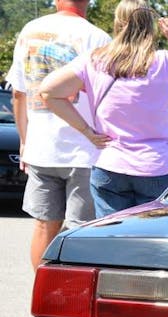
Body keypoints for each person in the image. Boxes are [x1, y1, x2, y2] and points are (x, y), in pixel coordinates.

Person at [38, 0, 168, 218]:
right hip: (158, 167)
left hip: (110, 165)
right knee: (153, 236)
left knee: (113, 235)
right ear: (151, 25)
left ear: (118, 23)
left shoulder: (94, 61)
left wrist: (86, 131)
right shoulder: (166, 63)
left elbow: (48, 91)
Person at [6, 0, 110, 270]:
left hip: (42, 148)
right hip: (86, 149)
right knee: (81, 229)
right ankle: (72, 292)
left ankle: (41, 290)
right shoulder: (98, 37)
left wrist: (25, 140)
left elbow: (19, 93)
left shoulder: (29, 31)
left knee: (43, 226)